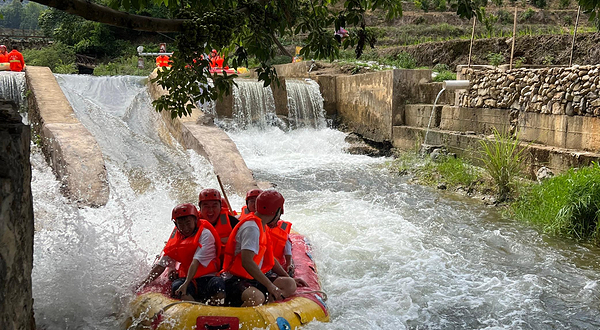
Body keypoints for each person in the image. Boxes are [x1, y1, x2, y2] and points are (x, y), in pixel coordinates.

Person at [221, 190, 302, 307]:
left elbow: (270, 258)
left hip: (255, 278)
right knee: (256, 298)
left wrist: (287, 277)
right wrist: (270, 285)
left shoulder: (262, 225)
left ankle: (268, 304)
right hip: (236, 280)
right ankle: (252, 309)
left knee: (289, 284)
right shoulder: (252, 228)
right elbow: (247, 262)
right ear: (277, 211)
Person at [137, 203, 225, 304]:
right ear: (176, 225)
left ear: (196, 220)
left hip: (207, 277)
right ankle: (193, 310)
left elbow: (195, 262)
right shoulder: (176, 239)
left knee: (218, 284)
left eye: (188, 223)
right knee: (177, 287)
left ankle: (215, 310)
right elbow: (161, 265)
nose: (185, 227)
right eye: (181, 224)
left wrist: (186, 283)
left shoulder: (205, 234)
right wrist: (145, 282)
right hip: (186, 278)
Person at [198, 189, 239, 256]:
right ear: (200, 207)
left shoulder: (232, 222)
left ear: (220, 207)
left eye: (214, 206)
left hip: (226, 261)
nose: (210, 210)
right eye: (206, 206)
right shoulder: (192, 223)